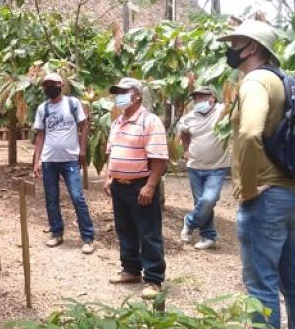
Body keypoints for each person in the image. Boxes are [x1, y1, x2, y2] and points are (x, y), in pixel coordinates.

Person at [213, 20, 295, 329]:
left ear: (253, 47)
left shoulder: (255, 81)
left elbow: (249, 131)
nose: (230, 49)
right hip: (293, 194)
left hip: (267, 197)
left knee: (262, 286)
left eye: (235, 43)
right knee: (291, 279)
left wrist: (248, 187)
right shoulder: (283, 81)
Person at [104, 78, 168, 300]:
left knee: (148, 232)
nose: (119, 96)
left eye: (125, 91)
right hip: (119, 186)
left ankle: (153, 278)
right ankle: (130, 269)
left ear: (138, 95)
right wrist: (108, 176)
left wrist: (150, 185)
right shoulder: (117, 122)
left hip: (140, 185)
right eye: (117, 92)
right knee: (125, 229)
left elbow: (159, 157)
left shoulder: (150, 121)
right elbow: (111, 151)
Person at [31, 72, 95, 253]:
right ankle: (56, 233)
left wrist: (82, 150)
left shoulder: (72, 104)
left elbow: (84, 126)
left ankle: (88, 238)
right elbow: (40, 135)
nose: (49, 87)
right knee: (51, 199)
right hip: (49, 160)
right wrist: (37, 161)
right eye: (46, 84)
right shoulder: (43, 108)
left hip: (70, 160)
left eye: (53, 84)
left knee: (77, 197)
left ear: (61, 85)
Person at [176, 86, 230, 250]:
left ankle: (189, 222)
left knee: (209, 200)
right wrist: (186, 150)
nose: (198, 101)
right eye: (196, 98)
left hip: (217, 167)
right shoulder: (189, 118)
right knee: (202, 203)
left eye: (202, 97)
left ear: (212, 98)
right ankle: (209, 236)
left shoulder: (223, 111)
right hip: (195, 166)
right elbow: (184, 133)